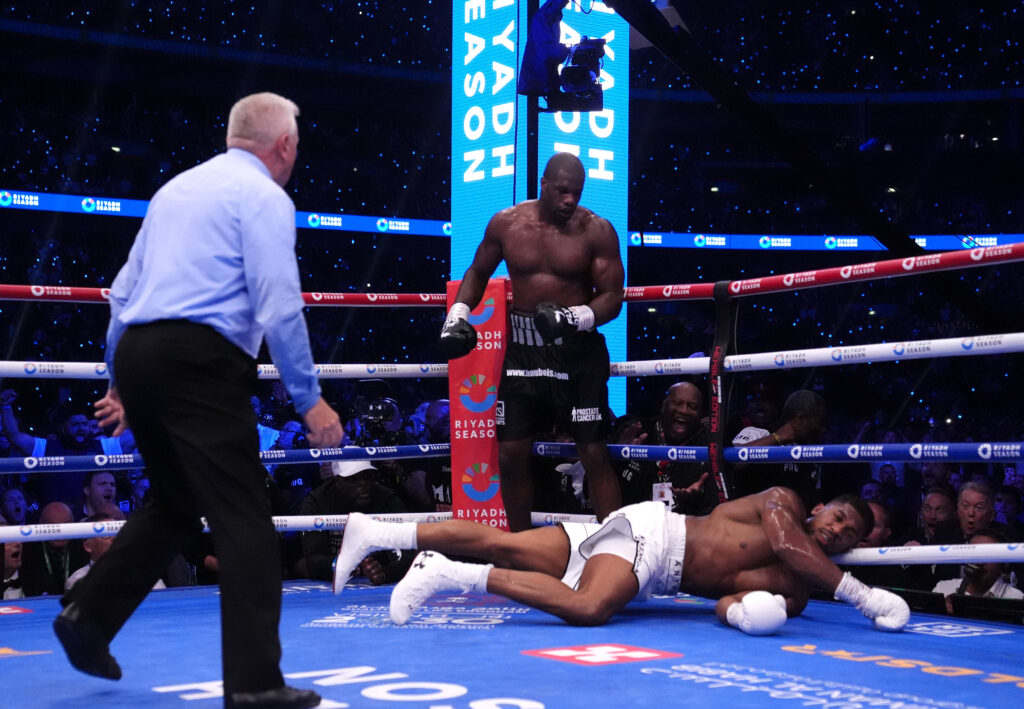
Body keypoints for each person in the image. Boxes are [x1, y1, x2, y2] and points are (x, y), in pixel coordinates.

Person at [53, 92, 342, 709]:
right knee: (243, 518)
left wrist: (118, 382)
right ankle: (256, 683)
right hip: (199, 358)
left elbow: (121, 293)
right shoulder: (264, 195)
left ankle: (88, 614)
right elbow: (278, 301)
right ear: (284, 145)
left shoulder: (175, 190)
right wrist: (309, 399)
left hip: (141, 352)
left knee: (177, 504)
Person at [332, 487, 909, 635]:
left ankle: (378, 531)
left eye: (848, 534)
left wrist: (743, 613)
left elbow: (725, 601)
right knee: (590, 609)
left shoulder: (801, 591)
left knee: (505, 542)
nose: (835, 530)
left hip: (649, 562)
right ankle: (444, 571)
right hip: (656, 536)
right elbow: (788, 544)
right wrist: (861, 594)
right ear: (821, 508)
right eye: (836, 517)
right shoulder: (783, 505)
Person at [438, 152, 625, 531]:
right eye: (562, 191)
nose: (570, 200)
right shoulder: (507, 224)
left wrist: (575, 317)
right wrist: (458, 313)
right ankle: (522, 548)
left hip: (576, 355)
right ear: (543, 184)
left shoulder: (597, 230)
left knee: (592, 451)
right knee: (509, 454)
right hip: (524, 353)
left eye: (576, 192)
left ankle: (615, 548)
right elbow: (477, 271)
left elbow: (612, 296)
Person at [297, 459, 410, 585]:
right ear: (338, 481)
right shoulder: (317, 502)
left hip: (378, 565)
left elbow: (406, 555)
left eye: (367, 476)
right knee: (302, 565)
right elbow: (312, 558)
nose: (363, 484)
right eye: (354, 479)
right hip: (332, 573)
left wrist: (384, 573)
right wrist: (338, 564)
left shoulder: (388, 501)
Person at [614, 382, 714, 514]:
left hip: (684, 526)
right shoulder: (637, 432)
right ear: (664, 406)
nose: (684, 410)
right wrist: (617, 456)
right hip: (629, 523)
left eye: (692, 406)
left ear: (700, 414)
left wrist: (698, 497)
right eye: (677, 403)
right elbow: (592, 483)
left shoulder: (707, 444)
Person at [732, 389, 827, 510]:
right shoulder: (759, 433)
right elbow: (736, 460)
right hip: (753, 518)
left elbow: (812, 496)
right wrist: (776, 437)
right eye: (818, 422)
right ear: (800, 420)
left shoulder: (813, 452)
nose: (822, 428)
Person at [932, 529, 1024, 611]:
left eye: (987, 555)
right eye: (974, 553)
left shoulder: (1016, 599)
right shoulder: (943, 589)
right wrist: (941, 611)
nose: (978, 561)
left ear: (1004, 564)